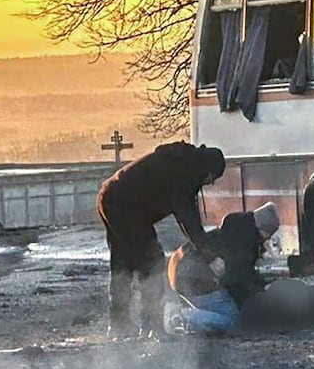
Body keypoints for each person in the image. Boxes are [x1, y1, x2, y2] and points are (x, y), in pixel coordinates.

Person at [97, 141, 226, 337]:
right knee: (153, 262)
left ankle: (119, 325)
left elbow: (187, 217)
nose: (210, 183)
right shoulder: (184, 174)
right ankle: (152, 325)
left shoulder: (181, 162)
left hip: (109, 196)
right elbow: (188, 220)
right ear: (208, 171)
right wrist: (210, 256)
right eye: (212, 178)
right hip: (126, 207)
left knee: (122, 262)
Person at [167, 202, 280, 333]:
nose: (265, 241)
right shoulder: (244, 242)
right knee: (232, 320)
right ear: (261, 231)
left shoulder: (236, 230)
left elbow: (240, 271)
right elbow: (236, 278)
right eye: (267, 236)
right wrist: (262, 290)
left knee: (219, 311)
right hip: (195, 278)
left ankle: (186, 315)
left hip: (179, 269)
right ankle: (184, 317)